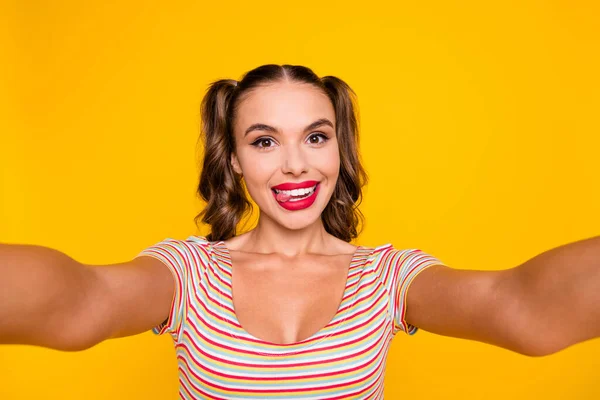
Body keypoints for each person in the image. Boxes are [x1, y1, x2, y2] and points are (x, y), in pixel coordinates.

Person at [1, 64, 598, 399]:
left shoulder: (386, 278)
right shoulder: (186, 273)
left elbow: (524, 308)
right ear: (233, 159)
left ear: (340, 149)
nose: (295, 164)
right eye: (264, 141)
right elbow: (79, 301)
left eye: (316, 137)